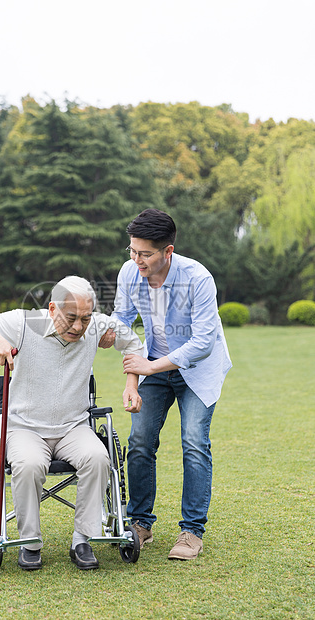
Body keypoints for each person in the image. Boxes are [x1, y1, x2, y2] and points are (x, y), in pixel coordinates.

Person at [0, 276, 143, 571]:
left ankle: (82, 540)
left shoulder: (96, 325)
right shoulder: (23, 322)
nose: (78, 327)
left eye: (85, 318)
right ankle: (30, 544)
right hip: (25, 428)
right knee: (29, 464)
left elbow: (134, 345)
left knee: (98, 457)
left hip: (74, 427)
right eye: (71, 318)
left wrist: (132, 384)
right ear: (52, 308)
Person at [100, 208, 232, 560]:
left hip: (197, 370)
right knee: (140, 440)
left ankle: (191, 532)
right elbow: (125, 324)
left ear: (167, 251)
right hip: (152, 366)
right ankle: (140, 524)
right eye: (132, 250)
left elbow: (203, 342)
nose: (136, 259)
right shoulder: (130, 272)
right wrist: (131, 375)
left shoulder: (198, 279)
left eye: (145, 253)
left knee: (193, 441)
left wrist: (148, 367)